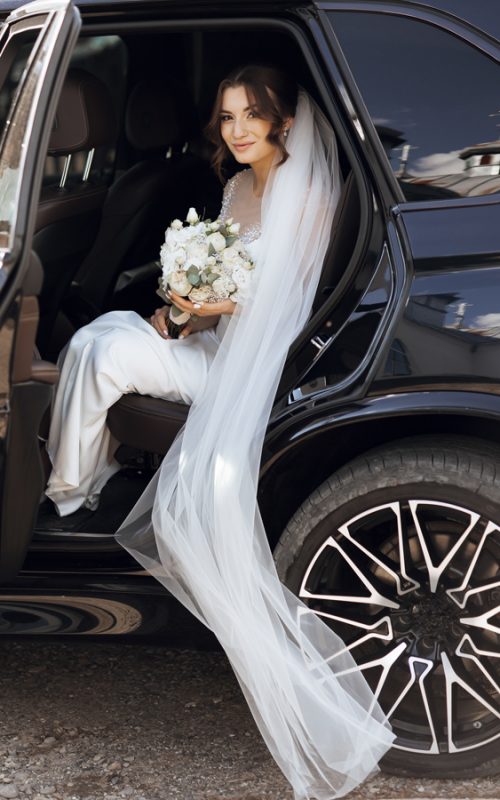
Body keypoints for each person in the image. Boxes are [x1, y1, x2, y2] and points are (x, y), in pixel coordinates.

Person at [47, 65, 395, 798]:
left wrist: (210, 305)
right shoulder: (237, 187)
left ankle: (70, 491)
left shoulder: (311, 197)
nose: (236, 130)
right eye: (228, 116)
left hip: (248, 368)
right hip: (211, 343)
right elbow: (218, 281)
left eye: (251, 116)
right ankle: (83, 475)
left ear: (285, 123)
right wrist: (181, 307)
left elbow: (285, 305)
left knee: (101, 351)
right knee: (99, 335)